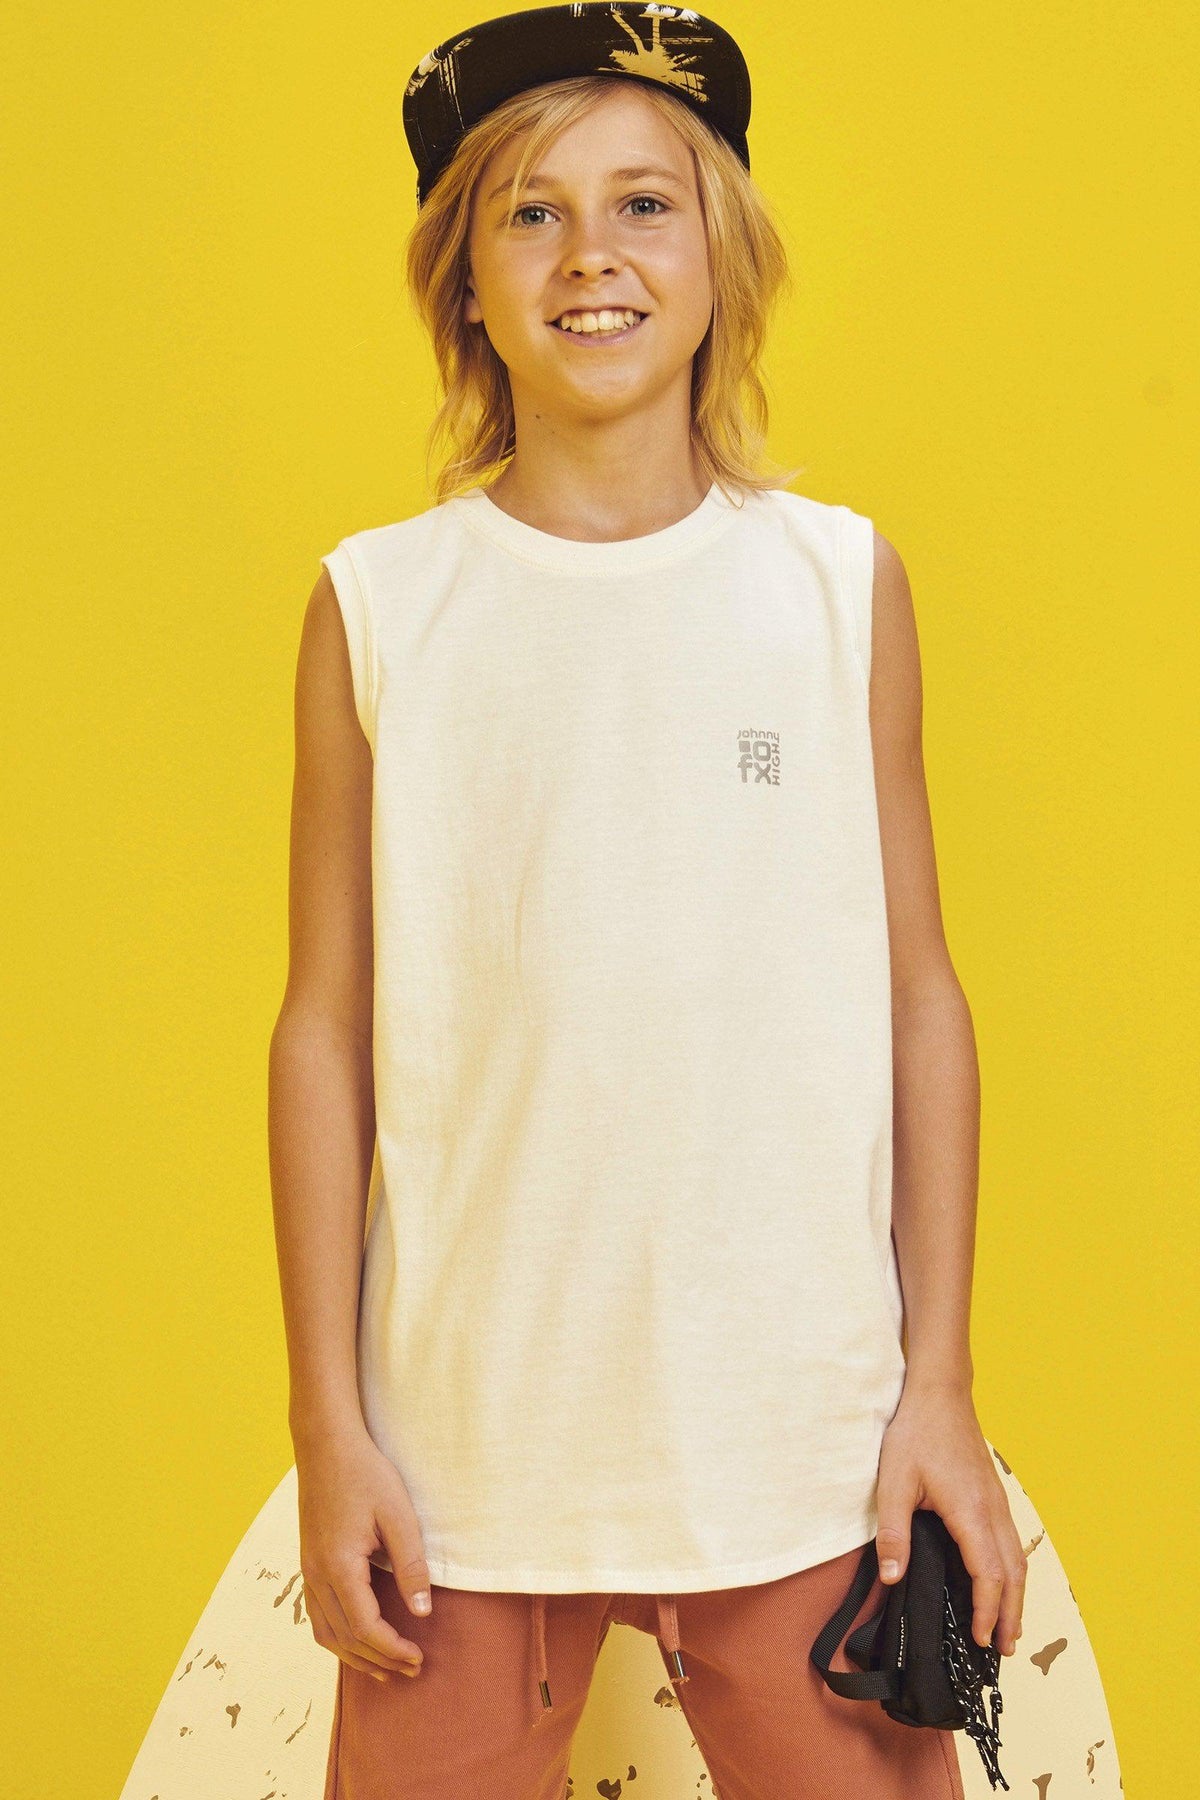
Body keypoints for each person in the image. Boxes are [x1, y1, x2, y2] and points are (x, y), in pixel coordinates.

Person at [267, 5, 1028, 1795]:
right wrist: (328, 1424)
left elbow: (917, 992)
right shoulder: (382, 609)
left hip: (797, 1436)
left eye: (643, 205)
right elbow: (324, 1032)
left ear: (723, 255)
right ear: (465, 280)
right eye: (529, 213)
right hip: (464, 1455)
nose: (590, 256)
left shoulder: (835, 586)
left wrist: (936, 1385)